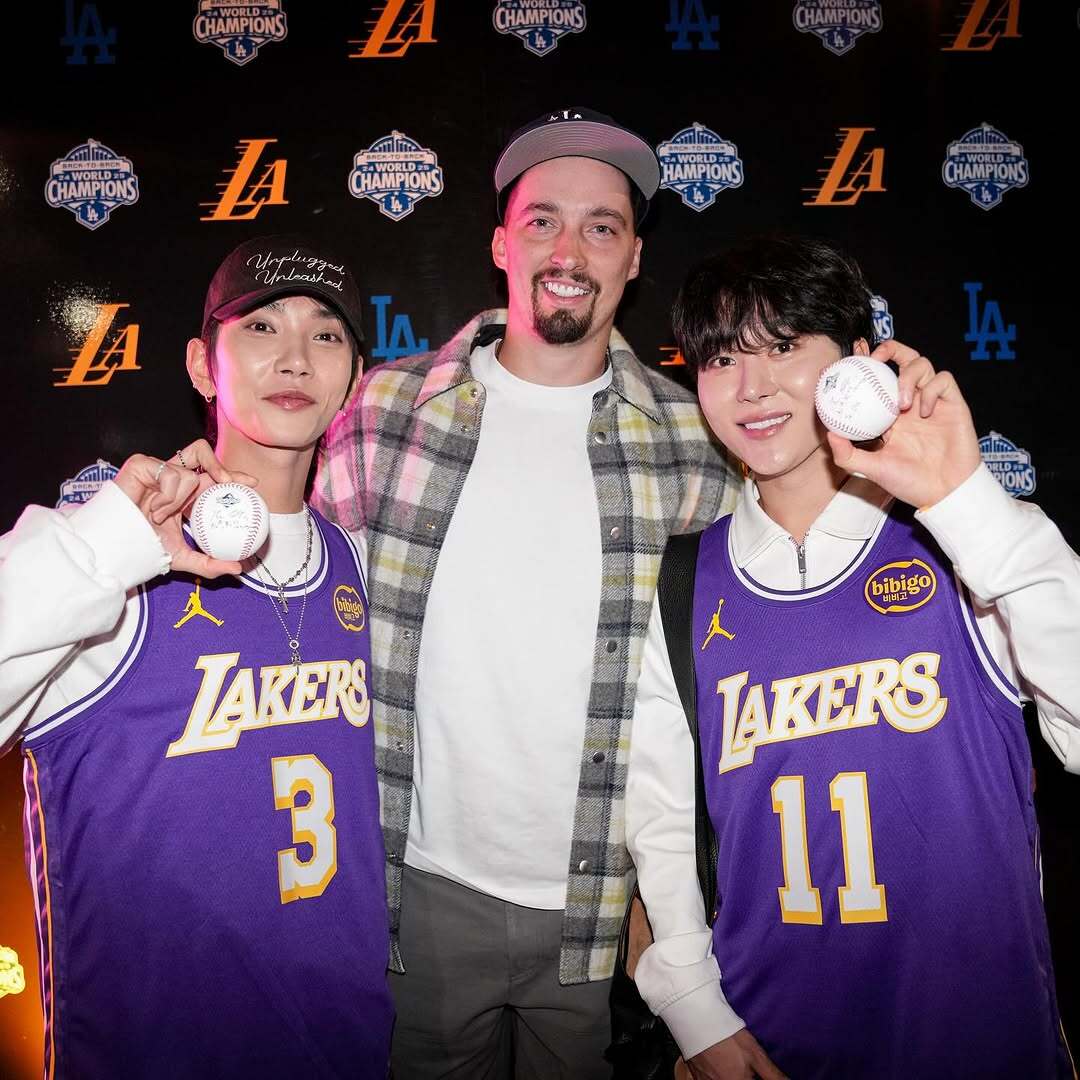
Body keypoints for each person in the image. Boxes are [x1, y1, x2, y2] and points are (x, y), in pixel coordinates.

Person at [313, 107, 739, 1077]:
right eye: (544, 219)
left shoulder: (700, 444)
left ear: (635, 258)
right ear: (503, 241)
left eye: (603, 225)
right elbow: (298, 619)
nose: (571, 248)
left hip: (606, 909)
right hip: (418, 897)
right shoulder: (385, 412)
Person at [626, 233, 1079, 1079]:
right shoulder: (686, 579)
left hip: (980, 1038)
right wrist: (694, 1012)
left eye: (786, 348)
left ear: (858, 363)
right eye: (722, 359)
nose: (752, 388)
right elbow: (662, 819)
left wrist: (964, 498)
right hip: (771, 1041)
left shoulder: (957, 542)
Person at [0, 236, 394, 1079]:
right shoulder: (116, 562)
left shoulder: (356, 562)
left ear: (353, 380)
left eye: (326, 334)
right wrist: (110, 542)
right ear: (201, 365)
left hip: (344, 1046)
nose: (294, 355)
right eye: (260, 327)